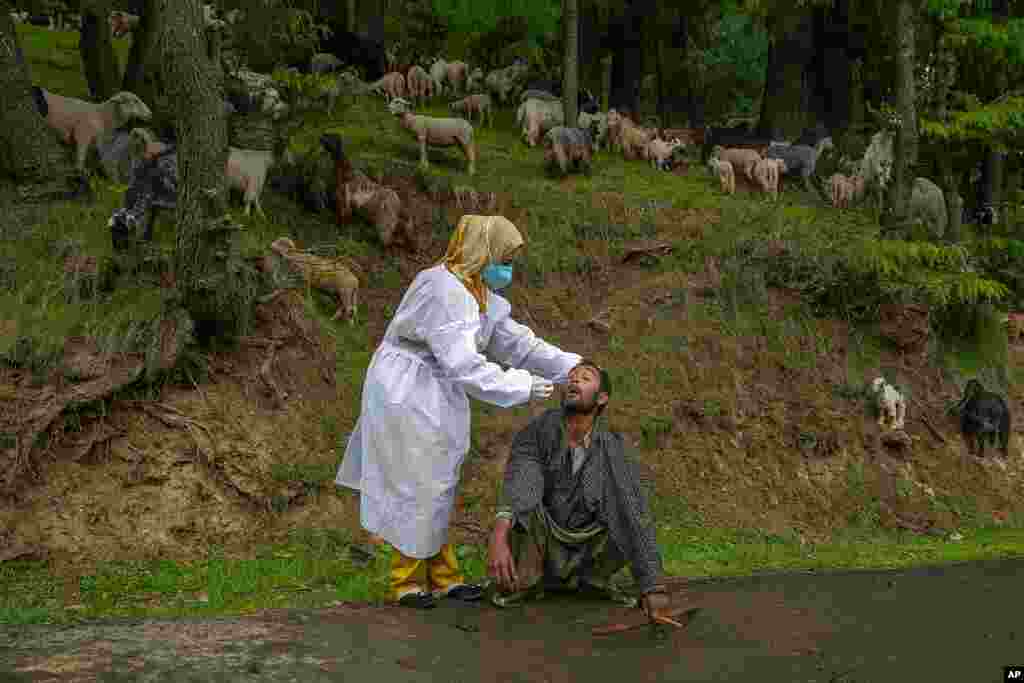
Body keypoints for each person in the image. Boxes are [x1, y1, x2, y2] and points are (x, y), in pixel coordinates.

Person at [336, 215, 582, 609]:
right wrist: (525, 386)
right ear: (483, 252)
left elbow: (519, 344)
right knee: (415, 482)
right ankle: (407, 581)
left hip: (435, 387)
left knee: (439, 481)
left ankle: (444, 577)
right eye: (504, 259)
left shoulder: (476, 291)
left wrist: (572, 366)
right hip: (408, 388)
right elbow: (464, 365)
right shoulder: (444, 289)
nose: (508, 269)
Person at [486, 360, 673, 624]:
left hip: (588, 539)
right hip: (545, 534)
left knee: (625, 510)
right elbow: (521, 482)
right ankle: (533, 580)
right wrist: (498, 536)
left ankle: (591, 580)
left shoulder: (613, 445)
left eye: (585, 378)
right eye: (572, 377)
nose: (574, 380)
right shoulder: (539, 430)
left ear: (602, 398)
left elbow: (632, 509)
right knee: (519, 516)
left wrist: (653, 587)